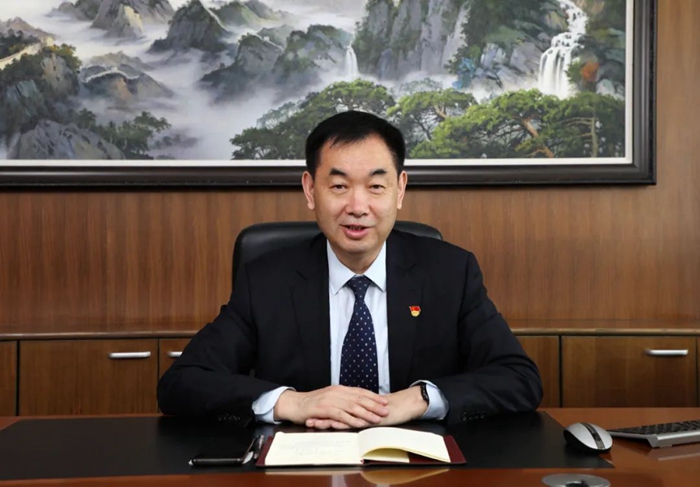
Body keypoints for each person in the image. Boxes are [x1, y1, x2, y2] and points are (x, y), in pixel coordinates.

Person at [157, 111, 542, 429]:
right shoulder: (267, 281)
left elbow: (519, 378)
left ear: (400, 190)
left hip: (417, 464)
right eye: (339, 186)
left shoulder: (450, 273)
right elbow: (182, 383)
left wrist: (420, 399)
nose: (358, 207)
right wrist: (293, 403)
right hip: (302, 465)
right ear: (310, 190)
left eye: (376, 187)